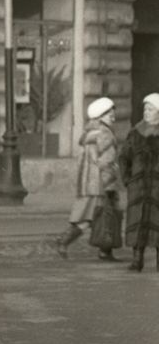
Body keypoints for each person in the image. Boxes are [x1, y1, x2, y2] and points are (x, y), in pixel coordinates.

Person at [55, 97, 121, 261]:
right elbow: (107, 161)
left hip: (88, 183)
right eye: (109, 115)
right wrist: (112, 179)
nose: (113, 117)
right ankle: (65, 241)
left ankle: (103, 251)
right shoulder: (105, 135)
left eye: (113, 114)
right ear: (100, 117)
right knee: (99, 216)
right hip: (100, 184)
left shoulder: (89, 134)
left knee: (92, 216)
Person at [119, 93, 159, 272]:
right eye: (145, 109)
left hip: (157, 188)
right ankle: (137, 260)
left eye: (151, 109)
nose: (146, 112)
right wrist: (128, 179)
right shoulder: (135, 133)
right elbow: (123, 158)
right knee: (137, 221)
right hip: (138, 187)